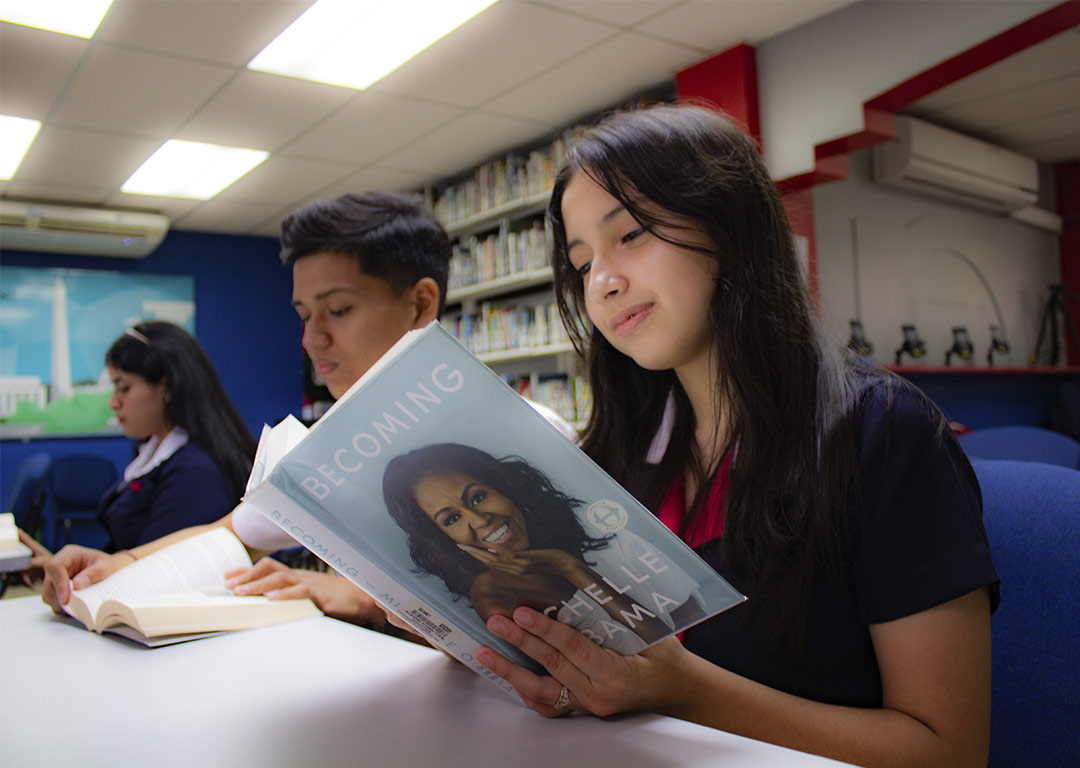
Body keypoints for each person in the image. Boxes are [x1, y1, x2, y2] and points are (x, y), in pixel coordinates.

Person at [462, 104, 999, 768]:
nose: (602, 282)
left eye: (630, 235)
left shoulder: (882, 431)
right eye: (580, 264)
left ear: (728, 226)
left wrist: (684, 691)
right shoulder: (613, 455)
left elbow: (949, 750)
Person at [38, 192, 573, 628]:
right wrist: (123, 563)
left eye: (338, 310)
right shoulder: (325, 447)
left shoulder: (529, 436)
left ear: (420, 303)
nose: (312, 339)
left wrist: (358, 596)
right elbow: (234, 531)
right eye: (303, 314)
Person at [383, 443, 706, 654]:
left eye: (478, 497)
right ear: (443, 539)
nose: (480, 521)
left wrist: (568, 566)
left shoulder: (589, 524)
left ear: (505, 488)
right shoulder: (494, 595)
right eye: (453, 518)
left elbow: (693, 622)